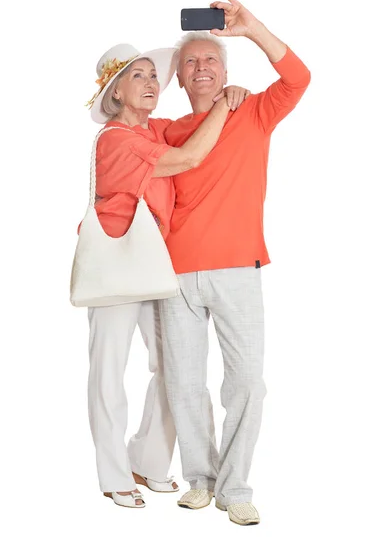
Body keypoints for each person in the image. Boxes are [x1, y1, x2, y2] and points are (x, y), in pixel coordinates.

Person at [159, 0, 311, 525]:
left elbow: (298, 78)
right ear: (178, 77)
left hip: (238, 268)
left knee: (247, 382)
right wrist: (221, 106)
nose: (201, 68)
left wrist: (250, 28)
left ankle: (235, 487)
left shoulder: (254, 114)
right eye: (191, 63)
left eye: (211, 60)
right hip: (173, 273)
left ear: (224, 69)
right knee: (183, 383)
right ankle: (200, 479)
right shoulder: (164, 131)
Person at [82, 42, 249, 508]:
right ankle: (114, 473)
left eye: (155, 75)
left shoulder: (155, 129)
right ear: (115, 94)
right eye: (138, 76)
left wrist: (215, 76)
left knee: (173, 368)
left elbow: (187, 116)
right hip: (115, 265)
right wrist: (223, 104)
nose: (153, 82)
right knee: (108, 371)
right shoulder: (117, 138)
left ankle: (150, 460)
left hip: (156, 264)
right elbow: (190, 158)